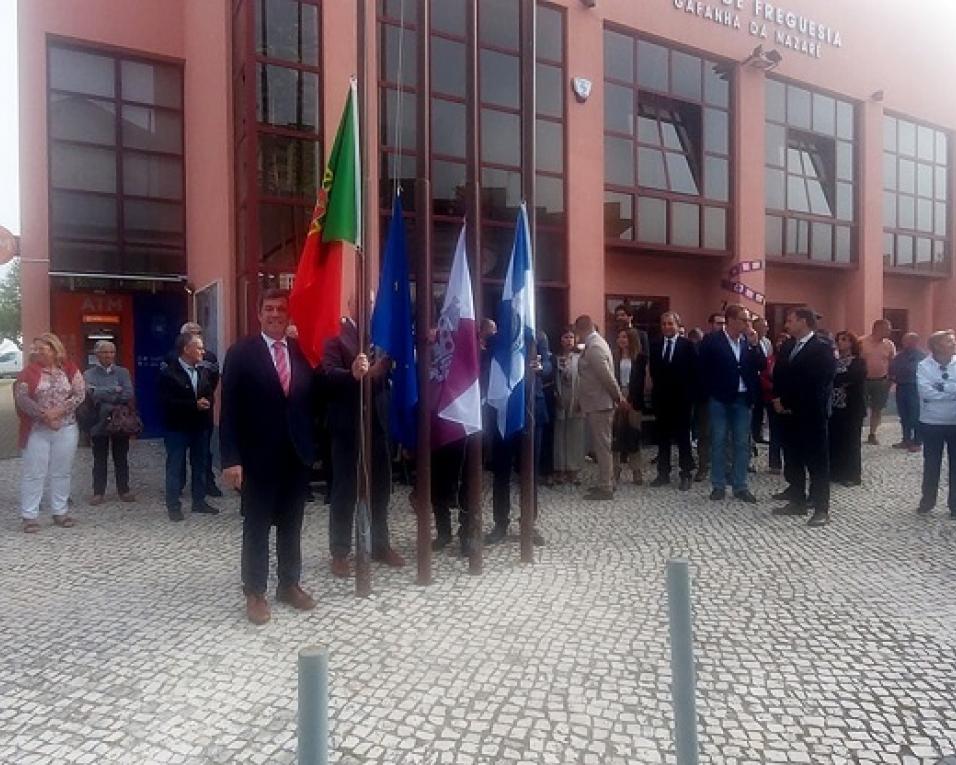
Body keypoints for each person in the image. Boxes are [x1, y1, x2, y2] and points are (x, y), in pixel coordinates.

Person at [220, 288, 318, 624]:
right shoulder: (241, 353)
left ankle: (289, 584)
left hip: (295, 455)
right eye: (269, 309)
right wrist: (231, 459)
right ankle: (255, 592)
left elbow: (313, 397)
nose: (275, 314)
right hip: (257, 457)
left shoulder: (301, 352)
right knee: (257, 526)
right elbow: (229, 409)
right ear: (259, 314)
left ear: (289, 315)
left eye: (280, 309)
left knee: (292, 524)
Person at [323, 306, 405, 575]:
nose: (368, 309)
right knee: (345, 491)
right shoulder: (336, 334)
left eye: (372, 304)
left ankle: (380, 545)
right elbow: (327, 374)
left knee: (380, 490)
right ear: (351, 305)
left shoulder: (380, 333)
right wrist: (355, 375)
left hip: (378, 424)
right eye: (362, 303)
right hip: (348, 425)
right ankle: (340, 552)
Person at [770, 307, 837, 527]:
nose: (787, 324)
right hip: (788, 414)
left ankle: (821, 508)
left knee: (817, 462)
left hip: (811, 413)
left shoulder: (821, 348)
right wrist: (778, 398)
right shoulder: (789, 345)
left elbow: (816, 381)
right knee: (793, 458)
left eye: (791, 320)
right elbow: (779, 373)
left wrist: (788, 401)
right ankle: (797, 499)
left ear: (804, 322)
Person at [15, 333, 85, 533]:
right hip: (37, 429)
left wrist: (59, 412)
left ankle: (60, 511)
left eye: (42, 348)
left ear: (54, 350)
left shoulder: (69, 368)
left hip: (66, 427)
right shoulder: (28, 372)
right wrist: (45, 416)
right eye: (35, 349)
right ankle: (29, 515)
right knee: (34, 473)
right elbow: (22, 399)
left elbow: (80, 393)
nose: (37, 352)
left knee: (61, 471)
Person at [485, 329, 551, 544]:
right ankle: (500, 524)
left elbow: (549, 365)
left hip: (532, 409)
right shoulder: (497, 338)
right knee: (501, 472)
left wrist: (541, 368)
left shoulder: (538, 336)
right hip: (504, 411)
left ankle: (528, 524)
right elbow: (487, 368)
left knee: (529, 472)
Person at [697, 304, 765, 503]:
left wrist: (754, 345)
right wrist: (710, 392)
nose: (748, 324)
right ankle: (718, 485)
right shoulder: (712, 341)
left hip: (743, 399)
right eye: (744, 320)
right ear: (732, 320)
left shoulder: (748, 341)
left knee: (742, 443)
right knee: (718, 441)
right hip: (720, 399)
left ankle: (740, 485)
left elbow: (761, 365)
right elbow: (702, 369)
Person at [158, 332, 218, 521]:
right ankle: (174, 506)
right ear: (186, 349)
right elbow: (166, 402)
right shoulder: (169, 372)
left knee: (200, 464)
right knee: (175, 465)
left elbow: (209, 391)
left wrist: (207, 402)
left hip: (200, 426)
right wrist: (193, 405)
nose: (203, 351)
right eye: (199, 347)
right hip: (177, 427)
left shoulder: (203, 370)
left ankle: (199, 501)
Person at [574, 315, 623, 501]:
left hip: (600, 403)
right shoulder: (594, 342)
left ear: (580, 329)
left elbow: (606, 376)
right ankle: (607, 480)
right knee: (602, 444)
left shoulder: (594, 346)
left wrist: (618, 396)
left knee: (602, 446)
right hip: (596, 402)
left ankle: (606, 487)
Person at [648, 311, 696, 490]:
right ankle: (663, 473)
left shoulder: (688, 346)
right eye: (664, 324)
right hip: (661, 398)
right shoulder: (655, 345)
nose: (667, 327)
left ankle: (686, 473)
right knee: (663, 438)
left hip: (682, 399)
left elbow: (693, 372)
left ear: (677, 325)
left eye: (670, 324)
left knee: (683, 438)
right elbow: (653, 371)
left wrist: (690, 396)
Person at [83, 340, 135, 505]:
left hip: (120, 420)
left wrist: (101, 391)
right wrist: (114, 389)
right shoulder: (88, 374)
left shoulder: (122, 372)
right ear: (97, 354)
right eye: (105, 352)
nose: (109, 356)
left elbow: (128, 393)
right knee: (99, 457)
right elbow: (91, 394)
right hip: (98, 420)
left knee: (121, 457)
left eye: (112, 352)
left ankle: (124, 490)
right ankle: (98, 492)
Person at [179, 322, 223, 497]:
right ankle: (179, 485)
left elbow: (213, 381)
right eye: (190, 334)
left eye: (198, 333)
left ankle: (207, 483)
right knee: (179, 452)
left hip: (204, 411)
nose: (194, 335)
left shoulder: (209, 357)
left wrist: (203, 396)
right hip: (180, 414)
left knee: (204, 450)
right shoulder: (173, 357)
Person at [916, 330, 956, 517]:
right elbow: (925, 392)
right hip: (932, 422)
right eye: (949, 341)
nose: (953, 344)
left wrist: (940, 387)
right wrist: (952, 392)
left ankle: (954, 504)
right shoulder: (924, 366)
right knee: (932, 463)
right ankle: (928, 501)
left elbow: (934, 391)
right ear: (937, 345)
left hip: (954, 422)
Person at [828, 331, 867, 487]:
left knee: (851, 441)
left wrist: (839, 380)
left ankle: (853, 474)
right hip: (835, 405)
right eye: (838, 340)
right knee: (836, 439)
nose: (840, 342)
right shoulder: (834, 361)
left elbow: (853, 377)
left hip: (852, 407)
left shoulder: (858, 361)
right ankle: (836, 471)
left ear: (852, 343)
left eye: (844, 340)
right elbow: (831, 377)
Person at [694, 312, 728, 481]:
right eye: (717, 323)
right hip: (707, 397)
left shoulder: (732, 342)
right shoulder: (704, 343)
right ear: (710, 324)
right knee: (705, 434)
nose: (721, 326)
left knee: (726, 434)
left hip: (727, 397)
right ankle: (703, 466)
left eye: (723, 323)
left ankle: (726, 468)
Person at [611, 327, 645, 486]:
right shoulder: (613, 357)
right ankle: (615, 470)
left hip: (633, 398)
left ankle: (636, 470)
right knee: (616, 434)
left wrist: (630, 400)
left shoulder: (639, 358)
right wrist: (618, 398)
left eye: (625, 337)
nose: (622, 340)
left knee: (633, 434)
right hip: (617, 395)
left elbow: (640, 381)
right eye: (619, 337)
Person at [552, 326, 584, 485]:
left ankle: (574, 469)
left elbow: (584, 380)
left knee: (575, 434)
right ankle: (560, 468)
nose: (569, 340)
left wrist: (582, 400)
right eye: (565, 337)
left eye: (571, 337)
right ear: (560, 340)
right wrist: (554, 395)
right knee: (559, 434)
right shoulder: (554, 358)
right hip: (559, 397)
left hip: (576, 397)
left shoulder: (581, 358)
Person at [860, 318, 896, 445]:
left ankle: (872, 434)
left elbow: (892, 362)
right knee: (860, 408)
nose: (889, 331)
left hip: (881, 381)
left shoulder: (889, 344)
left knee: (877, 408)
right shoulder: (861, 342)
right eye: (887, 329)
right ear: (877, 328)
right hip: (863, 381)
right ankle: (856, 432)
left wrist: (891, 379)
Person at [889, 332, 925, 453]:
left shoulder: (921, 356)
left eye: (907, 341)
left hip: (914, 388)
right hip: (901, 386)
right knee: (903, 415)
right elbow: (892, 368)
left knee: (915, 415)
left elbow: (915, 370)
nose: (904, 343)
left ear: (914, 342)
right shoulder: (900, 356)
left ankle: (917, 441)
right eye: (904, 340)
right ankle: (906, 439)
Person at [760, 332, 790, 475]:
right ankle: (775, 463)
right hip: (771, 399)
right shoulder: (770, 360)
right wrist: (773, 388)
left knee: (789, 433)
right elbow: (763, 377)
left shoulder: (792, 359)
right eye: (779, 340)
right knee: (775, 432)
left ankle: (791, 463)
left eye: (784, 341)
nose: (781, 343)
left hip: (788, 400)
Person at [751, 317, 772, 444]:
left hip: (764, 380)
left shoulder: (767, 342)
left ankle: (759, 433)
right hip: (753, 379)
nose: (767, 329)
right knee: (754, 408)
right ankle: (752, 434)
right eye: (764, 326)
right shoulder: (749, 339)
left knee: (761, 409)